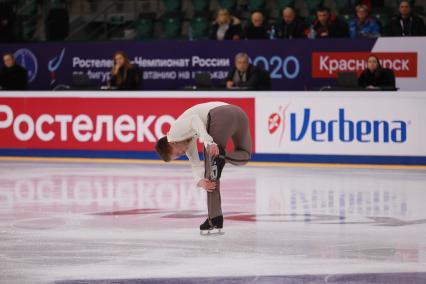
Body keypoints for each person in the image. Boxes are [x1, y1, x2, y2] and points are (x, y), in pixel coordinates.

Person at [155, 102, 252, 234]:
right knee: (244, 156)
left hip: (220, 116)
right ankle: (222, 155)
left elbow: (195, 119)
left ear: (172, 143)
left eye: (177, 153)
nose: (182, 153)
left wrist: (208, 141)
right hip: (239, 113)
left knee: (211, 172)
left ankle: (214, 218)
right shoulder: (185, 140)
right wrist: (199, 182)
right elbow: (194, 163)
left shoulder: (175, 131)